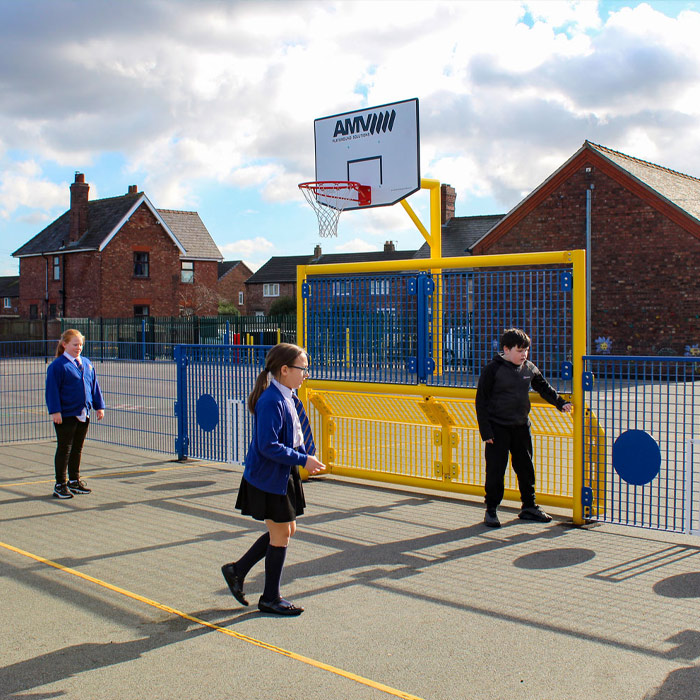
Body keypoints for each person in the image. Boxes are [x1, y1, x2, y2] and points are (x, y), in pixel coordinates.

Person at [221, 343, 325, 616]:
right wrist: (303, 460)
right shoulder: (272, 401)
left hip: (282, 473)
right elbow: (268, 446)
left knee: (287, 530)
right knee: (280, 534)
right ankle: (270, 597)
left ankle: (237, 570)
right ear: (284, 369)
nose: (305, 374)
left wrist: (306, 457)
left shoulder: (288, 396)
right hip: (268, 477)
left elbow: (293, 435)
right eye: (302, 369)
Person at [475, 328, 572, 528]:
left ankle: (529, 506)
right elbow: (481, 401)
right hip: (497, 428)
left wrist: (560, 403)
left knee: (526, 468)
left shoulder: (529, 368)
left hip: (520, 427)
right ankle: (491, 510)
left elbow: (543, 387)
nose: (524, 354)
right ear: (506, 349)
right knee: (495, 470)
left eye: (526, 350)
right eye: (519, 350)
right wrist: (486, 431)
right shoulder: (493, 370)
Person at [45, 329, 105, 499]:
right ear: (64, 345)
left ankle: (74, 481)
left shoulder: (86, 363)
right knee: (65, 448)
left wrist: (99, 406)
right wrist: (55, 411)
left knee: (77, 448)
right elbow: (52, 390)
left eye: (81, 344)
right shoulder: (57, 366)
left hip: (83, 412)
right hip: (66, 414)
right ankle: (60, 484)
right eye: (75, 344)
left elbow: (94, 386)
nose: (78, 348)